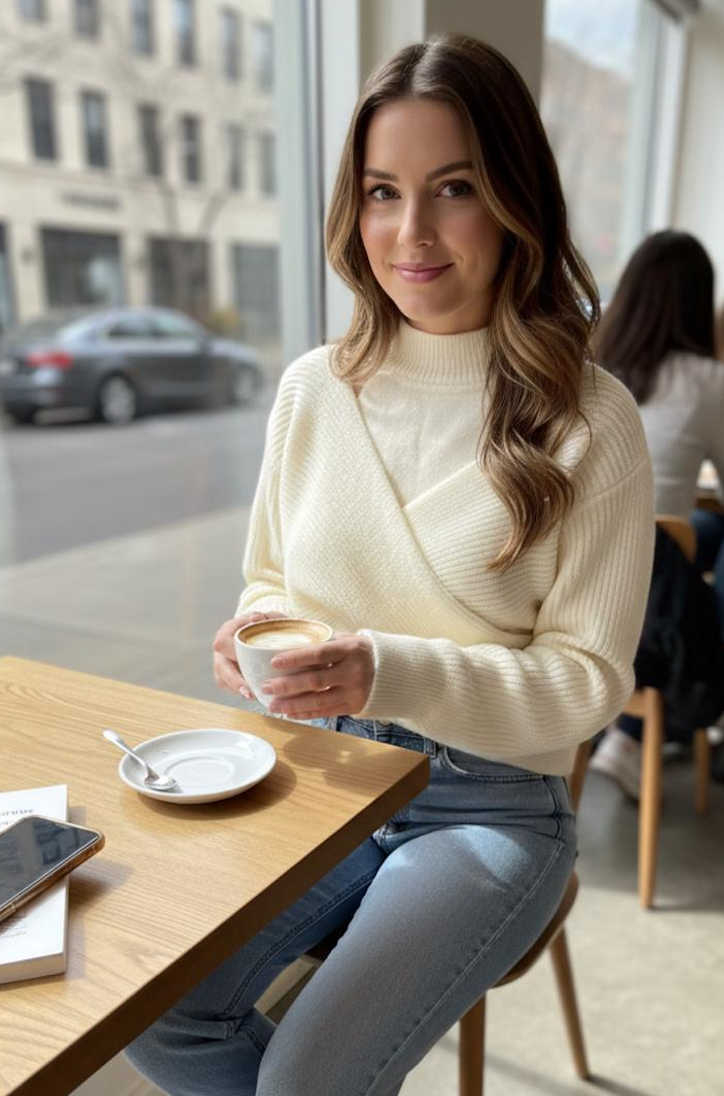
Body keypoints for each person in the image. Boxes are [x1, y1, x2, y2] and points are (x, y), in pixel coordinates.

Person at [125, 35, 653, 1096]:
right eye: (380, 192)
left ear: (514, 201)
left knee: (305, 1082)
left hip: (489, 803)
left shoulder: (592, 419)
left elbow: (588, 682)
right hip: (320, 768)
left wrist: (385, 670)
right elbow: (270, 579)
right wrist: (255, 640)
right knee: (157, 1007)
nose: (408, 233)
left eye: (451, 188)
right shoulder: (313, 389)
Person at [593, 230, 724, 798]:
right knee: (703, 532)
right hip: (645, 615)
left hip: (578, 594)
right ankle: (650, 723)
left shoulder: (587, 366)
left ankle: (627, 732)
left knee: (695, 532)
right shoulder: (706, 382)